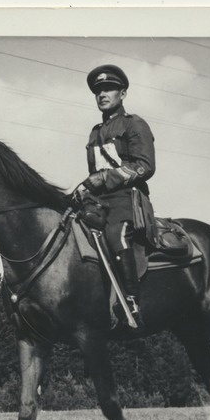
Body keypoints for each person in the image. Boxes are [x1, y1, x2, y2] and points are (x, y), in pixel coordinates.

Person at [73, 64, 156, 331]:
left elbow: (144, 165)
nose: (102, 94)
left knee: (115, 235)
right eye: (98, 91)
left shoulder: (135, 124)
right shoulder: (95, 132)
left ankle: (131, 302)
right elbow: (94, 172)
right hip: (99, 201)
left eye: (108, 89)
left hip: (127, 199)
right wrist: (85, 189)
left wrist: (104, 179)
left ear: (123, 92)